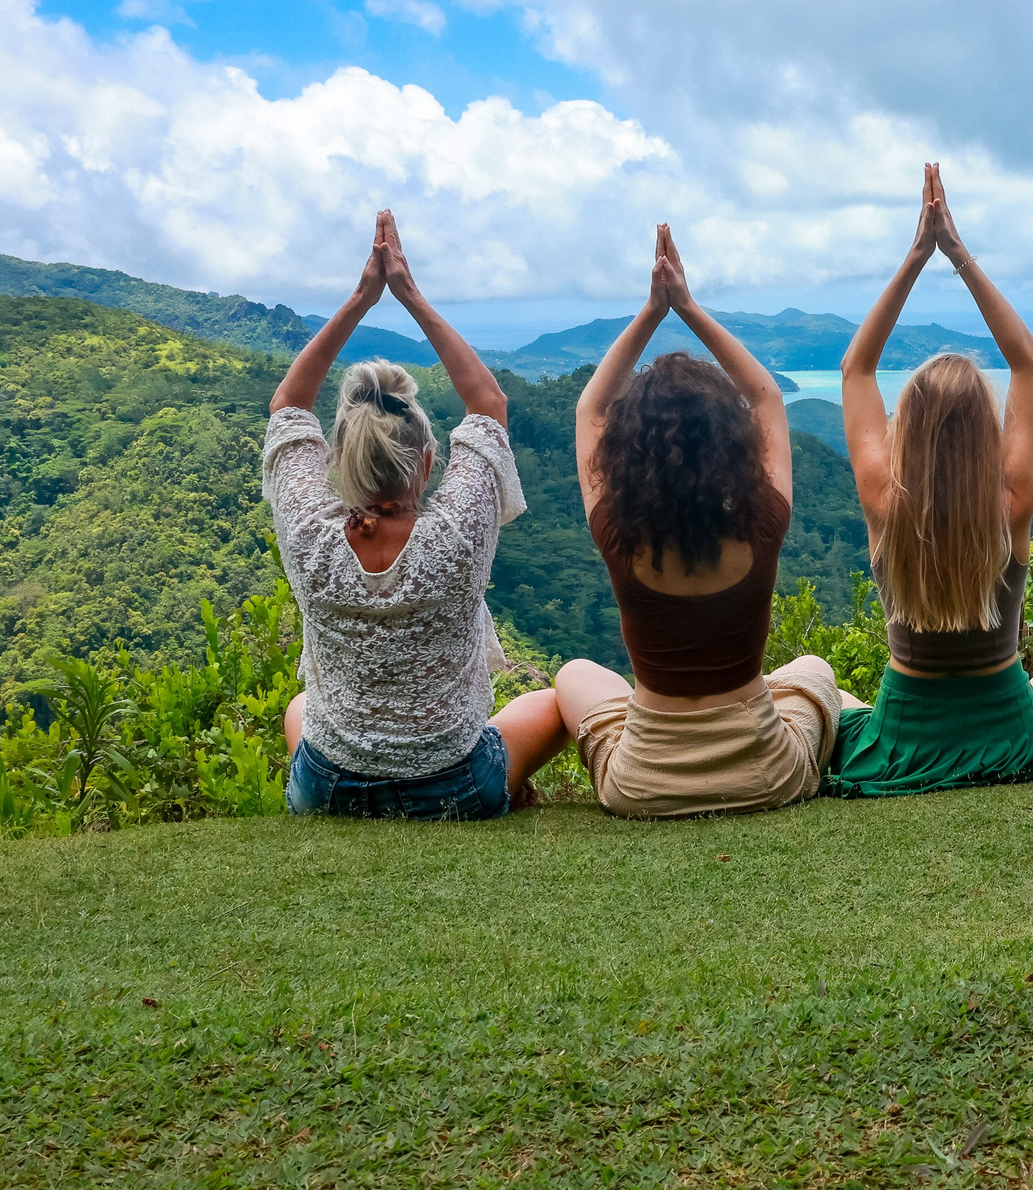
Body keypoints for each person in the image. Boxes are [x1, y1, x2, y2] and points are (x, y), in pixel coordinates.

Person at [264, 211, 567, 818]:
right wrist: (408, 294)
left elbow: (288, 406)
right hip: (455, 787)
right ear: (428, 463)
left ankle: (335, 804)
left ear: (338, 461)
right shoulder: (453, 536)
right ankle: (506, 790)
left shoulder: (309, 536)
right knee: (556, 704)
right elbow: (487, 402)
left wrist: (360, 300)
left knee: (300, 710)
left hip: (329, 789)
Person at [552, 223, 846, 818]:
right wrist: (687, 306)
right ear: (732, 444)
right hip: (768, 774)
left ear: (628, 452)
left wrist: (652, 311)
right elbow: (766, 397)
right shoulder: (764, 523)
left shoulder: (616, 531)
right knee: (813, 670)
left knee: (575, 673)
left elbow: (589, 407)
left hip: (641, 786)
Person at [822, 165, 1033, 796]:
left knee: (828, 691)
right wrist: (958, 256)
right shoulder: (1012, 503)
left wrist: (917, 255)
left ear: (905, 435)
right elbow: (1031, 362)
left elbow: (856, 369)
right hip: (1006, 727)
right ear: (985, 438)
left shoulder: (885, 505)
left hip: (905, 733)